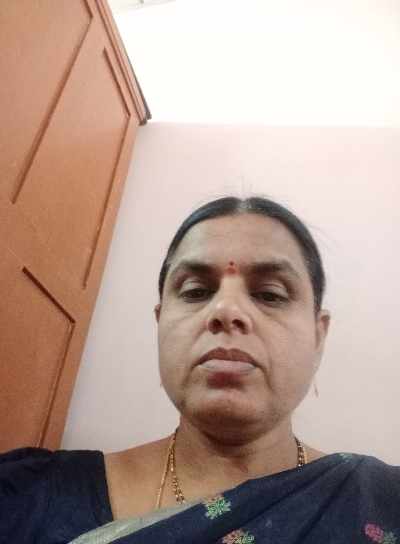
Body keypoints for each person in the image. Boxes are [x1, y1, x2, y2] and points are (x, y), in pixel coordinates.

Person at [1, 195, 399, 544]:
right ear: (160, 323)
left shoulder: (382, 503)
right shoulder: (25, 496)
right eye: (195, 291)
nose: (226, 310)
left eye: (269, 294)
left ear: (318, 335)